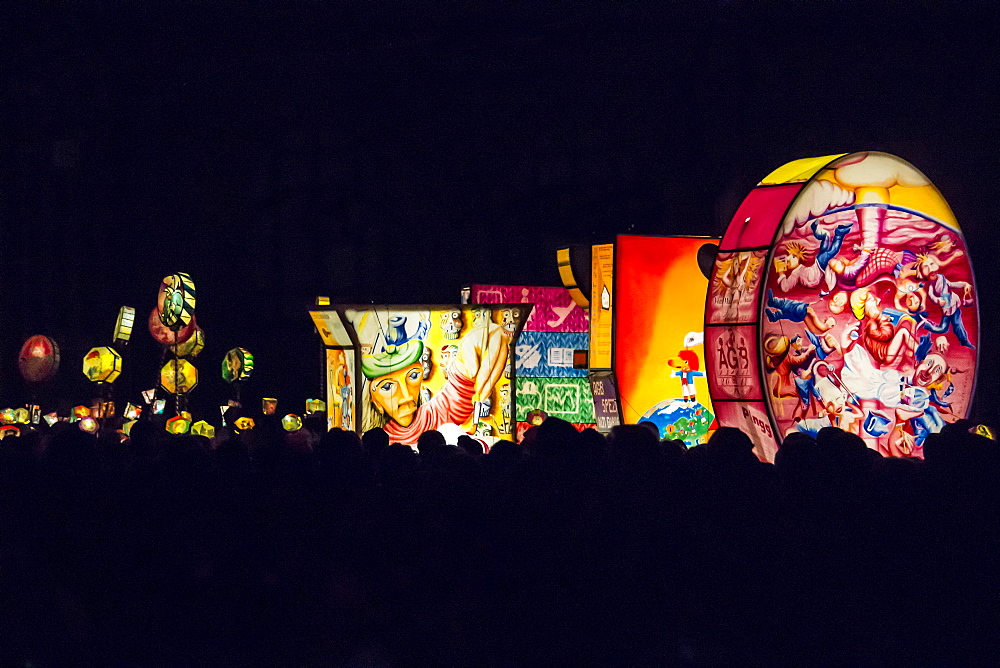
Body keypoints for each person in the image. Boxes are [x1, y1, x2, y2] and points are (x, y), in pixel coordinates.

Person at [359, 314, 511, 446]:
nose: (406, 396)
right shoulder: (375, 441)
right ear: (376, 402)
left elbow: (458, 393)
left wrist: (471, 350)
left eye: (412, 376)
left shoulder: (431, 416)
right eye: (387, 387)